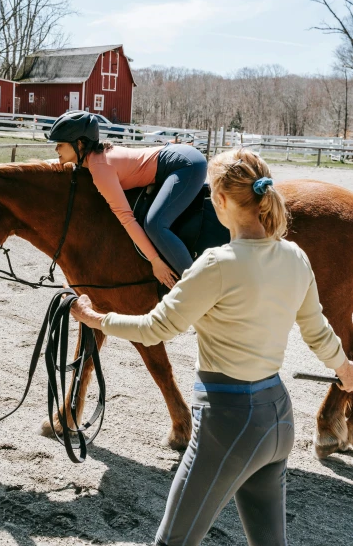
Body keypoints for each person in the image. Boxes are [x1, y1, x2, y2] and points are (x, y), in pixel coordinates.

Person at [71, 147, 353, 546]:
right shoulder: (294, 256)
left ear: (219, 201)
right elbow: (319, 332)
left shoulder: (215, 264)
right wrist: (345, 371)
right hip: (278, 419)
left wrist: (94, 318)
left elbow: (155, 328)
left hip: (228, 422)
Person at [46, 111, 208, 288]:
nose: (56, 149)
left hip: (186, 164)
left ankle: (197, 287)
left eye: (60, 145)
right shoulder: (94, 157)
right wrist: (59, 161)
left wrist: (155, 262)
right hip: (175, 156)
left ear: (79, 144)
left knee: (155, 224)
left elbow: (126, 218)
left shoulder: (101, 168)